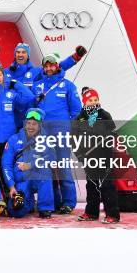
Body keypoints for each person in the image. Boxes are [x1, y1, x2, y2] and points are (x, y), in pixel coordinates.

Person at [32, 52, 82, 214]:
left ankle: (68, 202)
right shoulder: (37, 85)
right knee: (46, 167)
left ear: (57, 66)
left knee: (63, 166)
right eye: (46, 65)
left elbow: (76, 110)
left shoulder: (67, 85)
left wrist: (69, 127)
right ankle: (53, 201)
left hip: (61, 132)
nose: (48, 68)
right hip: (42, 132)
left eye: (52, 65)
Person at [5, 43, 87, 129]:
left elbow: (57, 67)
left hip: (33, 119)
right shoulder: (6, 72)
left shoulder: (36, 71)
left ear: (28, 55)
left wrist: (75, 57)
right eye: (18, 52)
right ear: (15, 54)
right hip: (13, 116)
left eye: (23, 52)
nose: (20, 54)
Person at [73, 87, 121, 224]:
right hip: (88, 157)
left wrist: (110, 136)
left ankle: (112, 214)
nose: (93, 102)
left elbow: (113, 133)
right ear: (84, 102)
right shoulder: (79, 118)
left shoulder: (105, 115)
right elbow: (73, 139)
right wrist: (80, 155)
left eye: (96, 99)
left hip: (104, 155)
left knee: (107, 184)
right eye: (90, 100)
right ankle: (91, 212)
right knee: (92, 185)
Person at [2, 108, 54, 218]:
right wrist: (11, 186)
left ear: (40, 125)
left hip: (37, 177)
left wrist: (30, 165)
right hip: (21, 180)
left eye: (34, 124)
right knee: (16, 211)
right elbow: (6, 164)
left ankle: (45, 208)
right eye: (28, 123)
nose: (30, 127)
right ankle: (29, 203)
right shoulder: (13, 139)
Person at [0, 67, 34, 169]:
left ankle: (10, 184)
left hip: (9, 137)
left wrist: (16, 84)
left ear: (4, 77)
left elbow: (29, 97)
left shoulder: (11, 93)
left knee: (9, 165)